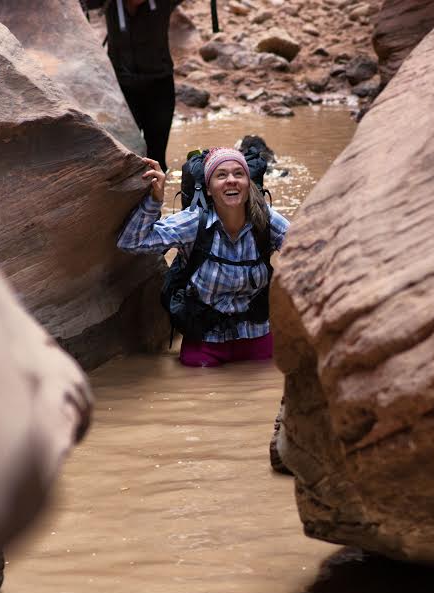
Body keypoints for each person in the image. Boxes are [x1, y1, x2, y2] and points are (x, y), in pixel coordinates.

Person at [117, 147, 290, 367]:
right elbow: (131, 242)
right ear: (208, 189)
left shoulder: (266, 222)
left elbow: (308, 253)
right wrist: (154, 199)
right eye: (221, 175)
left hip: (258, 337)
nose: (231, 181)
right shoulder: (192, 223)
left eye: (239, 174)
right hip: (205, 343)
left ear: (248, 185)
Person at [103, 0, 183, 172]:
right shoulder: (107, 3)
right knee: (125, 154)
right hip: (122, 89)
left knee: (156, 158)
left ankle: (158, 197)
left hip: (159, 87)